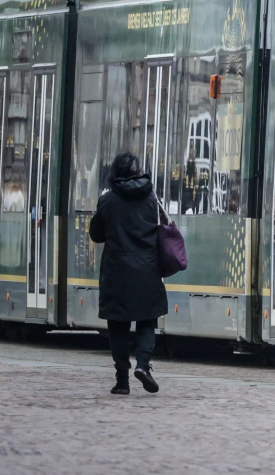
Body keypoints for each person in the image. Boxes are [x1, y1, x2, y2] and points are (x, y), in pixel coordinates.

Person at [88, 152, 168, 395]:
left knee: (118, 325)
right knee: (146, 320)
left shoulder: (108, 201)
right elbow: (161, 228)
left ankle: (122, 379)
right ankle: (143, 365)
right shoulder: (151, 198)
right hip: (147, 269)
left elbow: (96, 235)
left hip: (117, 271)